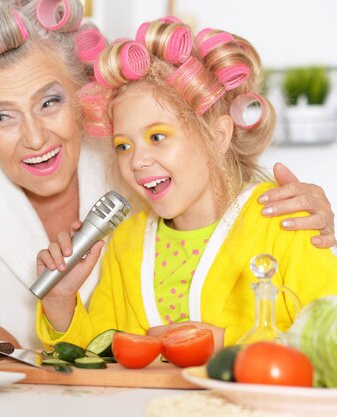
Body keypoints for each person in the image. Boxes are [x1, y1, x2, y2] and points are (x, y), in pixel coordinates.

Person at [0, 1, 336, 356]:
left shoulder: (125, 150)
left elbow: (214, 173)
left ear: (84, 100)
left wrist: (312, 216)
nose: (35, 138)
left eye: (50, 102)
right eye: (0, 116)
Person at [35, 17, 337, 351]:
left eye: (157, 136)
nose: (136, 161)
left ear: (218, 135)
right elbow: (100, 353)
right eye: (124, 145)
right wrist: (60, 302)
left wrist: (228, 342)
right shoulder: (126, 243)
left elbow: (328, 335)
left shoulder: (285, 218)